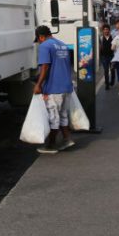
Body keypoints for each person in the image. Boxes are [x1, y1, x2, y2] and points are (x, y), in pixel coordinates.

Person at [33, 25, 75, 154]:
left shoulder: (45, 46)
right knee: (62, 115)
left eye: (39, 39)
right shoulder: (62, 44)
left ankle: (51, 145)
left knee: (53, 117)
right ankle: (67, 139)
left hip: (54, 87)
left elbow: (45, 67)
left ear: (41, 36)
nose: (39, 42)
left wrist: (38, 84)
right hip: (66, 86)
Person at [99, 24, 115, 90]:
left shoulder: (113, 37)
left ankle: (112, 81)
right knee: (105, 70)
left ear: (109, 30)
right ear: (102, 31)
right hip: (104, 56)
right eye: (104, 30)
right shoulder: (101, 38)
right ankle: (107, 84)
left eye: (107, 29)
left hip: (112, 56)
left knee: (112, 70)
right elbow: (99, 47)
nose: (106, 31)